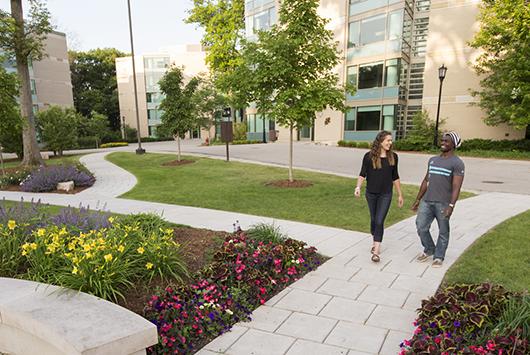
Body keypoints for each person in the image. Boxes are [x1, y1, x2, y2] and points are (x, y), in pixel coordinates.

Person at [412, 131, 465, 267]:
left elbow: (456, 187)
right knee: (421, 226)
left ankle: (439, 256)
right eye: (442, 140)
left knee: (443, 231)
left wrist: (451, 206)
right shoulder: (433, 160)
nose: (443, 143)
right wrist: (418, 199)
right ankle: (429, 249)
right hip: (427, 201)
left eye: (446, 141)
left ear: (453, 144)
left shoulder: (457, 163)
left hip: (443, 203)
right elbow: (426, 180)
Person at [355, 131, 404, 262]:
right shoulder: (369, 156)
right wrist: (358, 187)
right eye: (388, 140)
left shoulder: (393, 157)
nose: (390, 143)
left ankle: (376, 251)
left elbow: (395, 176)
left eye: (391, 140)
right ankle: (375, 240)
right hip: (371, 193)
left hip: (386, 194)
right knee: (373, 220)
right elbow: (362, 174)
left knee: (379, 221)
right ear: (380, 141)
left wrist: (400, 194)